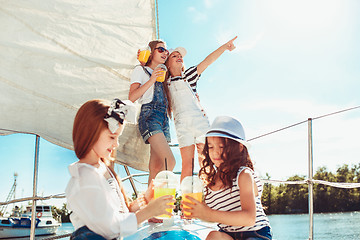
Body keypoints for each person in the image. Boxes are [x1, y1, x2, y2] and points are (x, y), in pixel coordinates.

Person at [65, 99, 175, 240]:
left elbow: (124, 211)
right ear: (90, 134)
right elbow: (110, 228)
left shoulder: (104, 169)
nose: (116, 144)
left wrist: (146, 197)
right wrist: (149, 212)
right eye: (112, 137)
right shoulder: (85, 177)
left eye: (118, 137)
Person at [182, 116, 272, 240]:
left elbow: (249, 218)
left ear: (240, 147)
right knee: (213, 236)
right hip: (228, 234)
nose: (215, 152)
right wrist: (196, 211)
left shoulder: (244, 175)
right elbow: (212, 214)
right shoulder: (211, 182)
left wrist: (208, 214)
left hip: (256, 234)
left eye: (222, 147)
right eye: (211, 147)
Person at [164, 37, 237, 182]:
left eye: (180, 56)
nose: (179, 57)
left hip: (199, 122)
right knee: (187, 165)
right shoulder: (164, 84)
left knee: (207, 161)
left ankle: (211, 194)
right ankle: (187, 202)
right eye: (175, 56)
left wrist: (223, 47)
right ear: (167, 63)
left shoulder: (189, 76)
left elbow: (207, 61)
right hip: (181, 126)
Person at [129, 40, 176, 184]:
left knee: (156, 167)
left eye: (166, 51)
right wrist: (152, 79)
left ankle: (149, 202)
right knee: (170, 162)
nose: (165, 53)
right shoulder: (140, 70)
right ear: (151, 53)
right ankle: (159, 201)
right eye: (160, 49)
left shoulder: (165, 74)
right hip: (149, 116)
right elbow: (132, 97)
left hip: (163, 120)